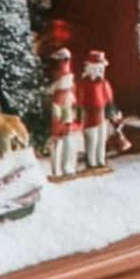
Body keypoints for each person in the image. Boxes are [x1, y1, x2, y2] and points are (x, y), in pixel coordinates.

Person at [78, 47, 115, 173]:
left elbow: (109, 99)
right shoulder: (83, 84)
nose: (99, 71)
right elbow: (79, 100)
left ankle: (100, 160)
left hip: (102, 116)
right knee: (92, 139)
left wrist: (112, 112)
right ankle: (91, 162)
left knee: (101, 139)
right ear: (89, 68)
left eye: (101, 69)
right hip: (89, 117)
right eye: (96, 68)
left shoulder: (104, 83)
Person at [48, 46, 81, 180]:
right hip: (59, 114)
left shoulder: (69, 87)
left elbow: (73, 97)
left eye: (66, 60)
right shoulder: (57, 84)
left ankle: (68, 168)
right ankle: (56, 170)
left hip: (67, 114)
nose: (64, 63)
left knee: (69, 142)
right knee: (57, 142)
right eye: (63, 60)